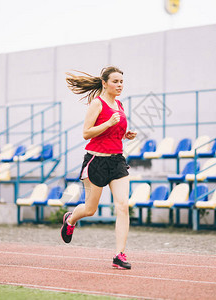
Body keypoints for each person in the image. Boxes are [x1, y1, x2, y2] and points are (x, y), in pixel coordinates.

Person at [61, 66, 137, 270]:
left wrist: (124, 134)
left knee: (122, 206)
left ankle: (119, 255)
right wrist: (108, 123)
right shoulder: (97, 103)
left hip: (117, 162)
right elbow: (86, 133)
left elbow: (112, 132)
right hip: (96, 161)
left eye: (122, 81)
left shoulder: (119, 104)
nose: (120, 85)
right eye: (115, 81)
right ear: (104, 83)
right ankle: (70, 219)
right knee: (90, 209)